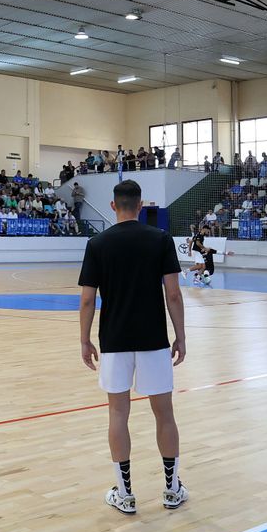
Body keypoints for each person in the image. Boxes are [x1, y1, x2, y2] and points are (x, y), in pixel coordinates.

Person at [77, 179, 187, 514]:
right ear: (141, 206)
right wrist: (180, 335)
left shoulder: (97, 243)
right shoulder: (160, 239)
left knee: (118, 414)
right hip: (154, 339)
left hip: (114, 341)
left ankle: (124, 494)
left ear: (113, 206)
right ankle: (171, 489)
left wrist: (84, 339)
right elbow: (173, 293)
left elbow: (86, 300)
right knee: (164, 414)